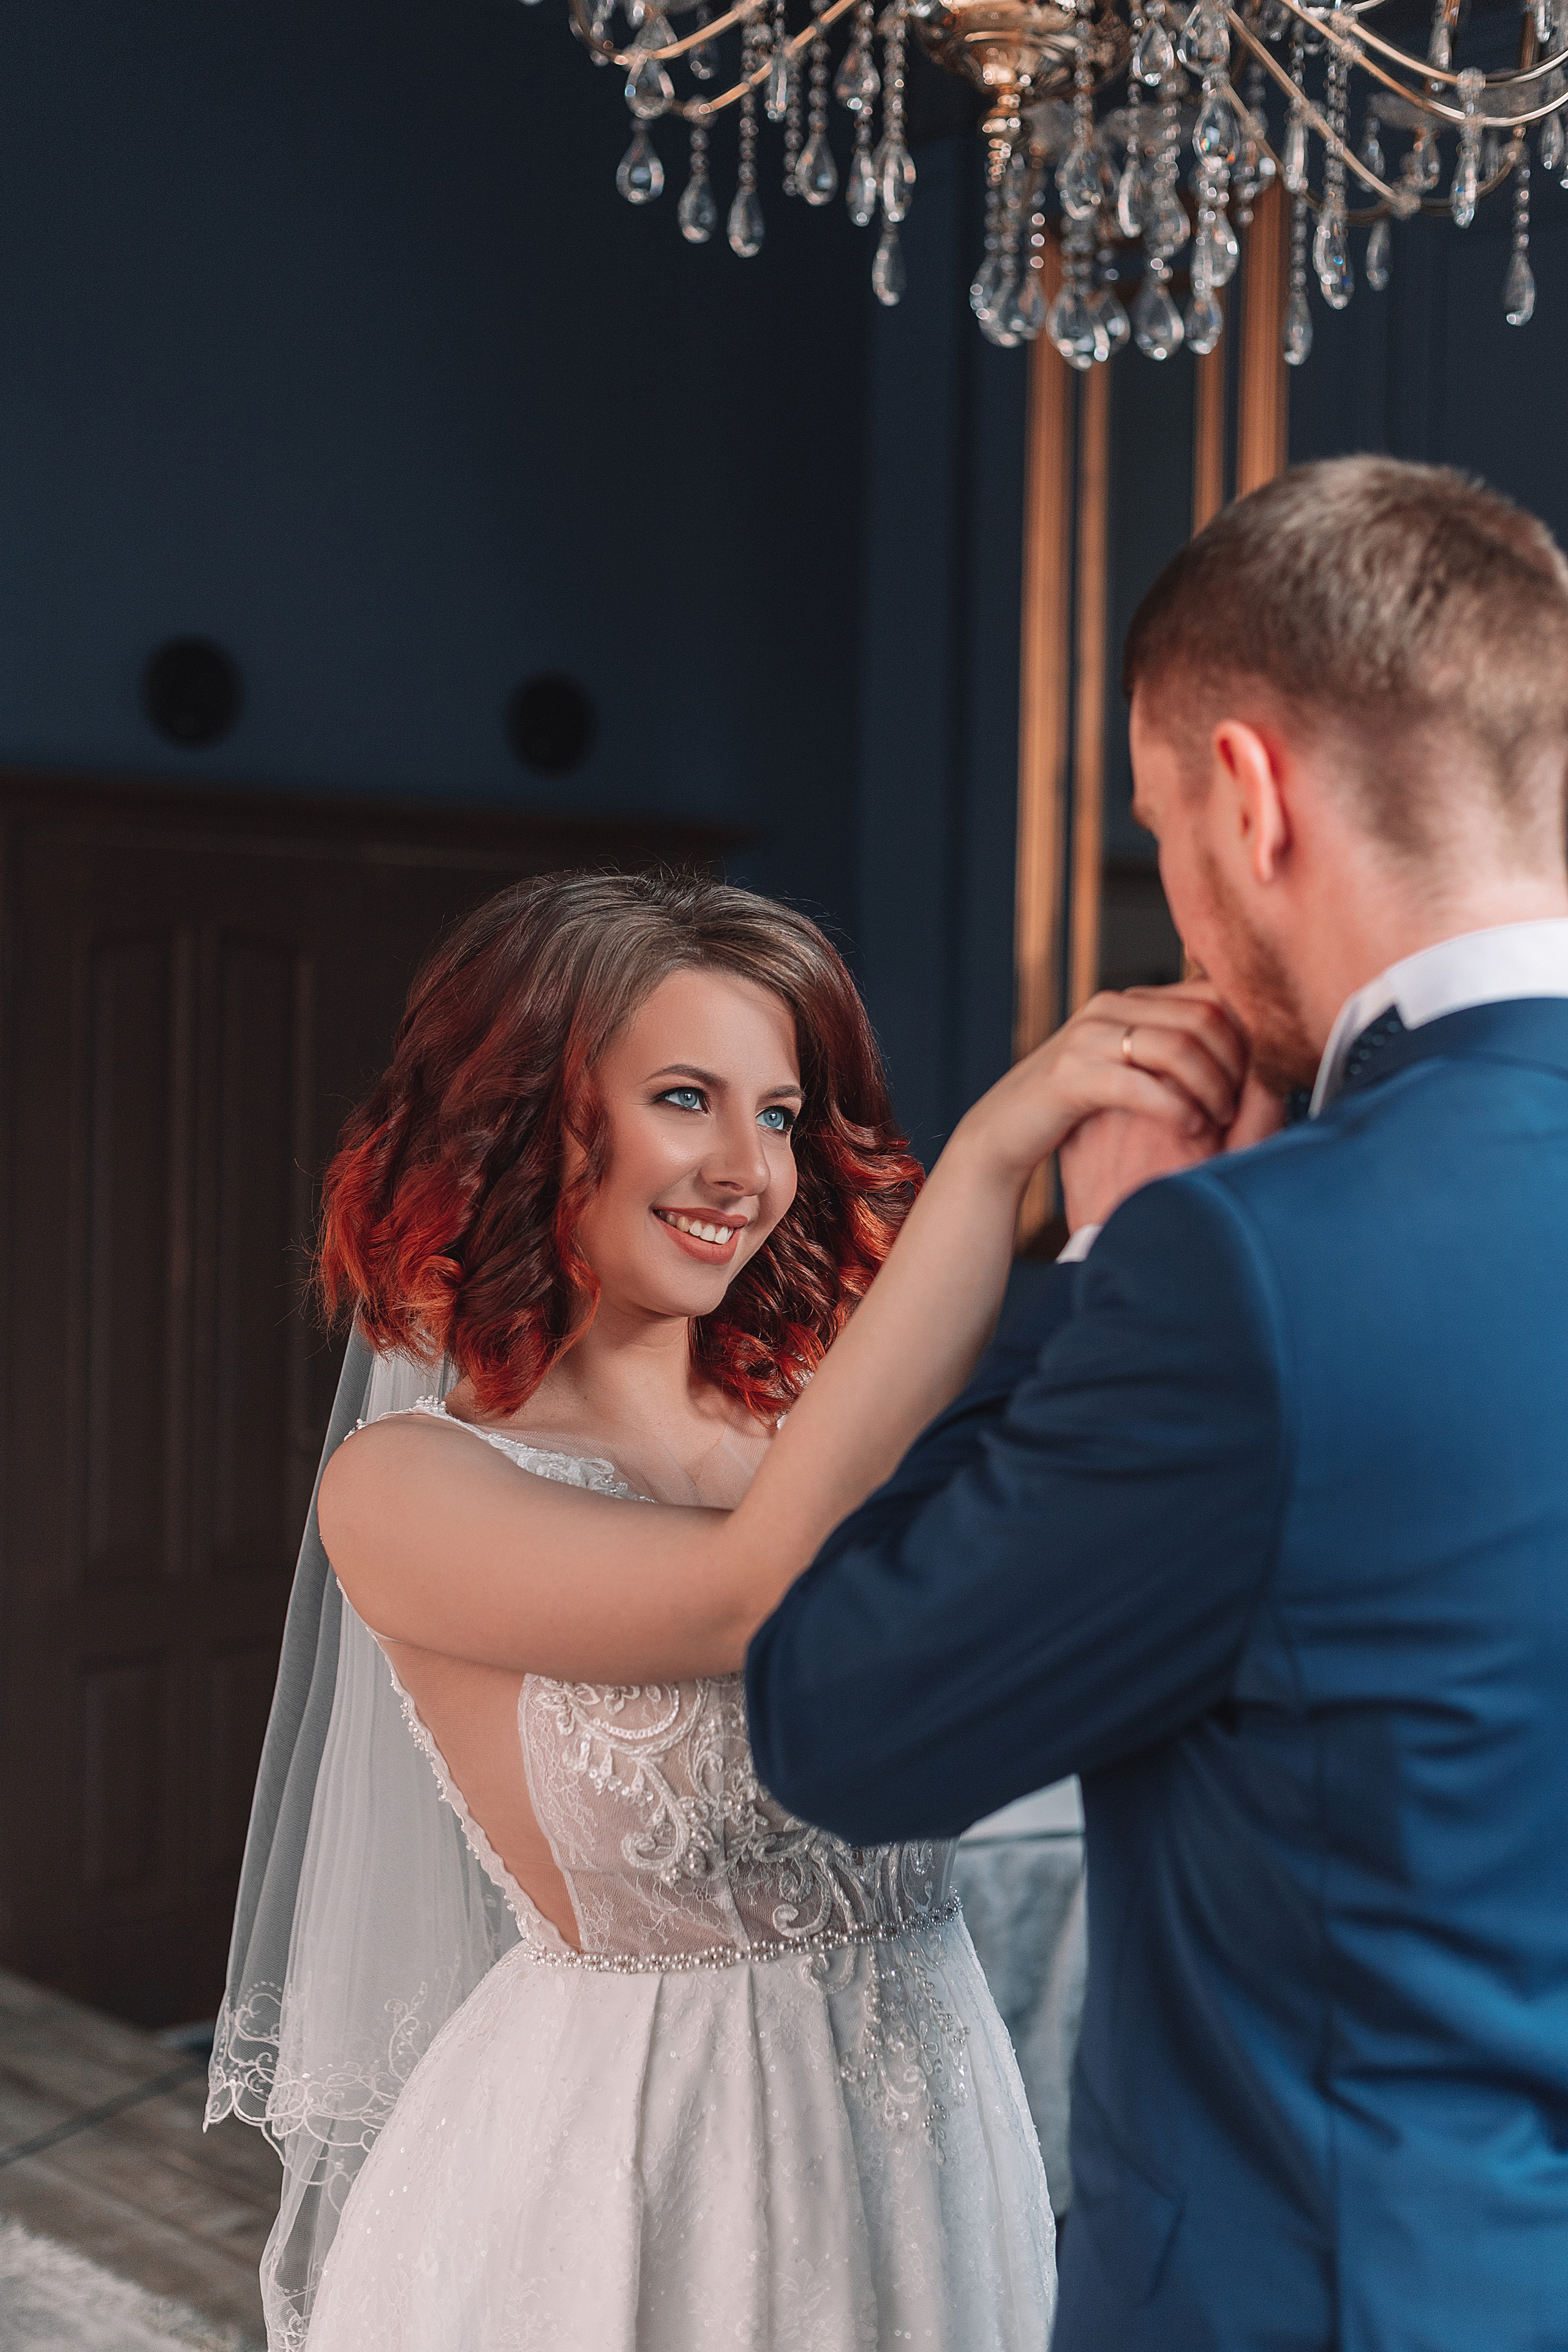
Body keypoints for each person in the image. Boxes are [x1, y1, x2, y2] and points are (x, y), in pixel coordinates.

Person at [744, 458, 1568, 2351]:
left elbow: (850, 1720)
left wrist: (1106, 1249)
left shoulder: (1244, 1266)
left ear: (1251, 797)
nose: (1184, 906)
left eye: (1160, 828)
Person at [209, 870, 1243, 2351]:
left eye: (778, 1115)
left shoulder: (824, 1430)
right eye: (684, 1098)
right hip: (627, 2173)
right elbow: (747, 1594)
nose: (745, 1171)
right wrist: (993, 1155)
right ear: (523, 1116)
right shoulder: (403, 1488)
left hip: (930, 2147)